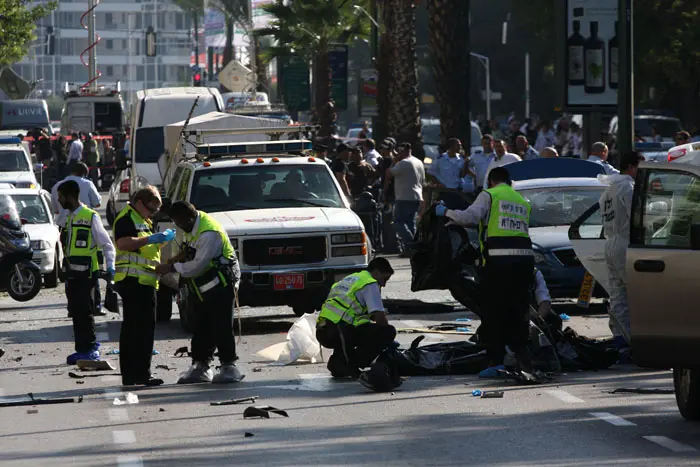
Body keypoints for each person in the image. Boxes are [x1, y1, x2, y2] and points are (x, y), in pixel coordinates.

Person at [436, 167, 535, 376]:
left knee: (494, 312)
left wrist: (445, 212)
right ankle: (523, 358)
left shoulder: (490, 195)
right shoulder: (521, 200)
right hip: (524, 263)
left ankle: (496, 361)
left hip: (498, 262)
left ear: (491, 181)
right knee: (518, 311)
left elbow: (470, 217)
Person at [156, 201, 244, 384]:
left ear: (189, 217)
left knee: (221, 325)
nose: (178, 227)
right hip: (203, 286)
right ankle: (201, 365)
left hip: (221, 283)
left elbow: (196, 266)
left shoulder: (209, 233)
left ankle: (229, 366)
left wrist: (170, 267)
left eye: (180, 223)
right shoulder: (191, 226)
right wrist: (173, 260)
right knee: (201, 325)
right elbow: (188, 250)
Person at [113, 186, 174, 386]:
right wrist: (151, 238)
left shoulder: (143, 220)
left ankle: (140, 373)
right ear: (139, 202)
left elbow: (145, 250)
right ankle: (133, 375)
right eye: (151, 209)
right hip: (133, 281)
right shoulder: (126, 218)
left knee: (145, 330)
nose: (153, 214)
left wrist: (162, 241)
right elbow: (123, 244)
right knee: (134, 330)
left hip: (146, 281)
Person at [57, 180, 115, 364]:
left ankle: (90, 349)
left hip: (87, 274)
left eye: (61, 197)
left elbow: (106, 244)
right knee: (76, 311)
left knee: (85, 311)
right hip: (72, 274)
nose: (59, 201)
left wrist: (111, 266)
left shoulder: (90, 217)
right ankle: (81, 349)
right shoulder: (69, 217)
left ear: (70, 196)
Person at [316, 257, 397, 379]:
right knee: (388, 331)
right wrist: (388, 342)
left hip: (324, 330)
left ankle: (338, 362)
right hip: (338, 329)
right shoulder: (369, 283)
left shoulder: (352, 278)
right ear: (376, 272)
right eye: (385, 278)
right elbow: (379, 318)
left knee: (364, 330)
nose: (384, 284)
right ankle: (351, 363)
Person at [599, 151, 644, 362]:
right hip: (625, 244)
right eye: (640, 167)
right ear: (631, 167)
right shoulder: (627, 187)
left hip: (610, 243)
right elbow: (638, 215)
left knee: (617, 295)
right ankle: (632, 343)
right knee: (634, 295)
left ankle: (620, 340)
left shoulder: (608, 190)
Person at [387, 142, 425, 257]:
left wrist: (394, 161)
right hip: (416, 196)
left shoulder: (403, 163)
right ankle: (411, 250)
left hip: (404, 197)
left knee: (398, 222)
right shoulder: (418, 162)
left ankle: (413, 244)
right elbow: (423, 179)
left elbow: (389, 173)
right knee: (410, 223)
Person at [52, 162, 101, 229]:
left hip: (63, 226)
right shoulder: (87, 184)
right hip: (84, 225)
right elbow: (97, 204)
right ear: (84, 174)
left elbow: (55, 211)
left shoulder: (56, 186)